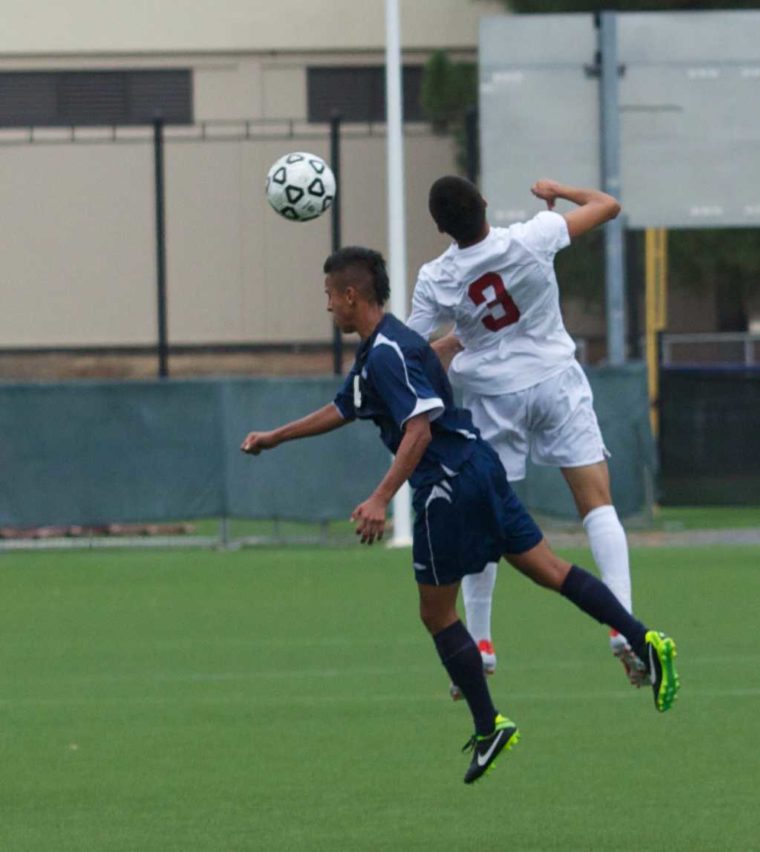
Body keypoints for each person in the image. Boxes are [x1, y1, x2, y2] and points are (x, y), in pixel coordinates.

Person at [241, 246, 679, 785]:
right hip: (480, 465)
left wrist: (380, 498)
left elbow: (419, 430)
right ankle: (643, 640)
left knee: (434, 613)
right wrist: (275, 438)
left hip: (446, 487)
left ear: (352, 296)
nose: (328, 306)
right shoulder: (395, 341)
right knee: (552, 571)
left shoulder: (385, 354)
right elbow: (344, 406)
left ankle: (488, 722)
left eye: (330, 296)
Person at [407, 176, 646, 692]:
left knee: (486, 514)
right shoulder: (533, 236)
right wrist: (558, 190)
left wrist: (452, 344)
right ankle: (623, 625)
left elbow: (413, 349)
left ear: (441, 227)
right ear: (485, 204)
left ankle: (482, 641)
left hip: (494, 398)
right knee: (597, 504)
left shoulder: (436, 277)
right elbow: (607, 205)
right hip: (556, 381)